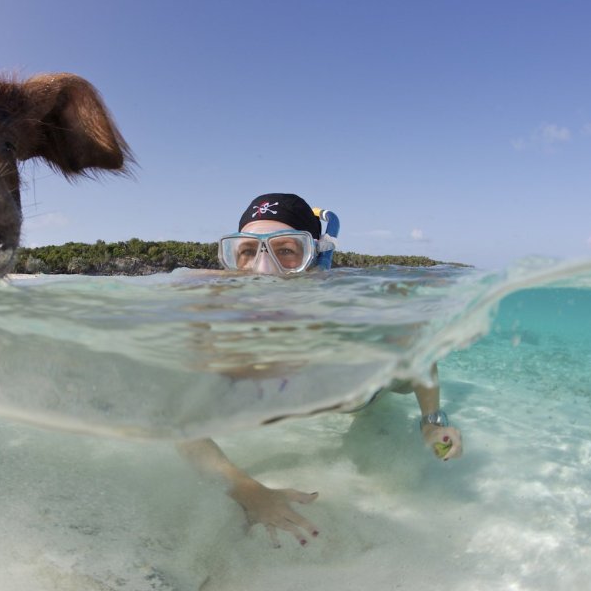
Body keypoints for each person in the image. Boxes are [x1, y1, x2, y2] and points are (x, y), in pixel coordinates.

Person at [177, 193, 463, 548]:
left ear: (313, 260)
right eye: (248, 251)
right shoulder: (212, 314)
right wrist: (250, 493)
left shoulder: (351, 308)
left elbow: (419, 347)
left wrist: (432, 423)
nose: (263, 273)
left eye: (285, 250)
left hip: (362, 395)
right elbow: (180, 420)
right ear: (231, 259)